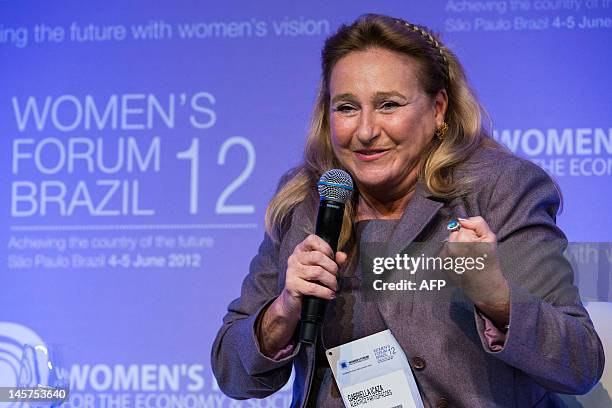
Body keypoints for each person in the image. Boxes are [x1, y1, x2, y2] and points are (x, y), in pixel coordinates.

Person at [211, 13, 604, 407]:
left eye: (388, 105)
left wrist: (496, 296)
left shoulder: (500, 190)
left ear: (438, 110)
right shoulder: (308, 201)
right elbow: (233, 373)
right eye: (347, 107)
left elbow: (580, 364)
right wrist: (285, 308)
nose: (365, 131)